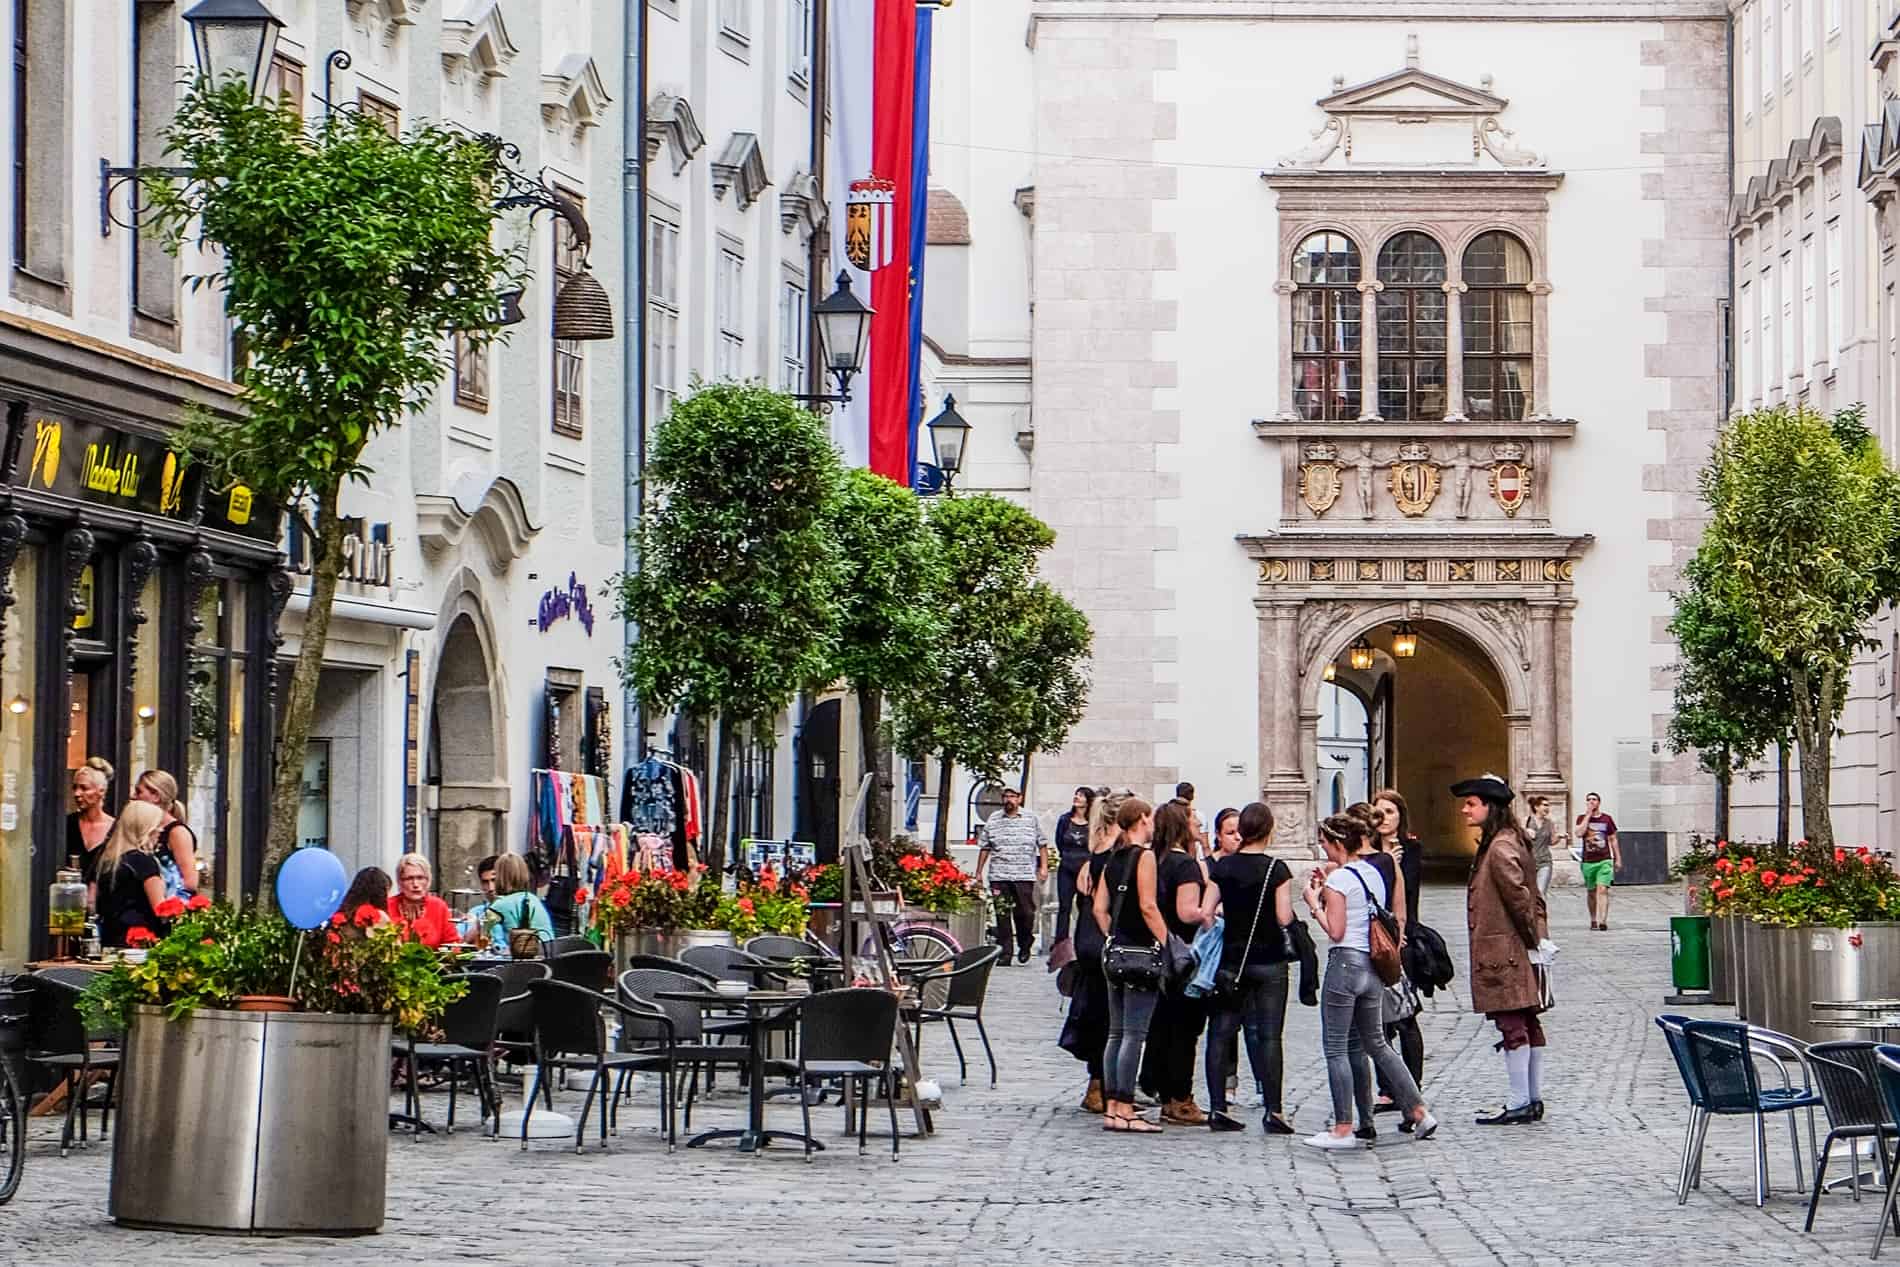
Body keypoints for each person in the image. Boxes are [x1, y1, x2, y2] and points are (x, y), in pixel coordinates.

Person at [1300, 813, 1437, 1149]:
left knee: (1336, 1048)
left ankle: (1343, 1128)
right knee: (1375, 1043)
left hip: (1345, 964)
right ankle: (1419, 1110)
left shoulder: (1338, 881)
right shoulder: (1372, 872)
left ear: (1335, 842)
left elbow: (1336, 931)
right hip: (1372, 967)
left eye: (1324, 841)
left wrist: (1313, 903)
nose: (1322, 847)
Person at [1455, 773, 1551, 1125]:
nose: (1465, 810)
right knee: (1527, 1020)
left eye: (1471, 804)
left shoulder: (1500, 847)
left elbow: (1521, 899)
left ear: (1489, 807)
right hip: (1513, 948)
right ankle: (1531, 1097)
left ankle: (1519, 1100)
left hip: (1505, 951)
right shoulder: (1508, 840)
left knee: (1513, 1023)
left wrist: (1531, 940)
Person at [1195, 802, 1295, 1134]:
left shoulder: (1222, 867)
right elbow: (1283, 917)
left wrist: (1228, 918)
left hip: (1231, 962)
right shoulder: (1276, 869)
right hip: (1268, 962)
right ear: (1268, 830)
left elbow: (1207, 912)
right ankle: (1274, 1110)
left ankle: (1218, 1107)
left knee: (1221, 1033)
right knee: (1269, 1035)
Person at [1092, 797, 1165, 1133]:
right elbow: (1148, 906)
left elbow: (1098, 909)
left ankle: (1111, 1108)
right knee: (1135, 1034)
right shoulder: (1144, 856)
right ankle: (1125, 1109)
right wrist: (1168, 942)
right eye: (1150, 818)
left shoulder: (1112, 858)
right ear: (1142, 819)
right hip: (1140, 952)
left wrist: (1113, 935)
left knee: (1115, 1033)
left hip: (1116, 951)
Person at [1139, 801, 1208, 1125]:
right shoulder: (1185, 866)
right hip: (1182, 952)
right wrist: (1211, 913)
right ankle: (1180, 1097)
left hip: (1156, 952)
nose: (1197, 822)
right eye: (1192, 818)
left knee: (1162, 1026)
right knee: (1184, 1030)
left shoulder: (1155, 860)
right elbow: (1186, 911)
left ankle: (1162, 1090)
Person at [1061, 787, 1125, 1113]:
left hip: (1087, 937)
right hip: (1100, 938)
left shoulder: (1095, 851)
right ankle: (1101, 1083)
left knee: (1098, 1009)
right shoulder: (1115, 854)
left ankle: (1101, 1082)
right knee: (1106, 1013)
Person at [1372, 789, 1426, 1103]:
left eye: (1390, 812)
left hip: (1402, 940)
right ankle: (1386, 1087)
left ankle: (1412, 1085)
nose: (1385, 818)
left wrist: (1391, 865)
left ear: (1400, 816)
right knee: (1377, 1019)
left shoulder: (1412, 849)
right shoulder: (1364, 851)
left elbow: (1407, 893)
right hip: (1374, 941)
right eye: (1379, 812)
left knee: (1405, 1016)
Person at [975, 785, 1048, 964]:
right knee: (1002, 915)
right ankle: (1006, 953)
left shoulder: (1031, 818)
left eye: (1012, 796)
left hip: (1023, 874)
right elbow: (985, 846)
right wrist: (978, 872)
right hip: (999, 875)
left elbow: (1042, 844)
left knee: (1026, 913)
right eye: (1006, 796)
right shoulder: (994, 819)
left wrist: (1043, 867)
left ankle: (1025, 943)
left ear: (1020, 799)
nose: (1009, 800)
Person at [93, 801, 169, 948]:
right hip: (142, 941)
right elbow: (161, 909)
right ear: (146, 829)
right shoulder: (144, 862)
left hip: (111, 940)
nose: (160, 830)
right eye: (157, 825)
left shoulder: (108, 862)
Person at [132, 769, 197, 898]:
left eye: (139, 792)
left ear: (156, 796)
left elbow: (190, 882)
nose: (134, 796)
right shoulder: (142, 828)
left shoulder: (177, 833)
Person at [483, 852, 555, 954]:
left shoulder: (499, 905)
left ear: (499, 876)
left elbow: (483, 934)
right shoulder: (533, 899)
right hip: (549, 957)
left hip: (527, 961)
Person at [1051, 787, 1096, 948]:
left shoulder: (1093, 822)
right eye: (1076, 794)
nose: (1077, 797)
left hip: (1085, 869)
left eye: (1081, 795)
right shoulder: (1065, 820)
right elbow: (1059, 842)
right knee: (1064, 906)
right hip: (1067, 867)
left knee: (1085, 906)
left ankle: (1082, 939)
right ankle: (1060, 941)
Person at [388, 852, 458, 948]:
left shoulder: (438, 906)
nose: (415, 884)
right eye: (409, 878)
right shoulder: (387, 906)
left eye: (420, 878)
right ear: (400, 882)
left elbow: (453, 944)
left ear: (428, 880)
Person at [1574, 792, 1621, 930]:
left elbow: (1613, 839)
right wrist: (1588, 815)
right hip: (1588, 861)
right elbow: (1578, 833)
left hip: (1604, 860)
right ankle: (1593, 918)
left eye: (1594, 799)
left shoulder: (1607, 819)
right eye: (1589, 800)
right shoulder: (1581, 818)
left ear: (1599, 802)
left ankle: (1602, 920)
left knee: (1602, 889)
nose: (1591, 802)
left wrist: (1618, 858)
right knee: (1591, 891)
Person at [68, 756, 115, 893]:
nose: (77, 794)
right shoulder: (67, 824)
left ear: (101, 791)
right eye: (75, 787)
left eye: (84, 788)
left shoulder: (116, 829)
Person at [457, 854, 501, 943]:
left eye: (494, 880)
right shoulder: (476, 912)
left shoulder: (515, 909)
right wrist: (477, 927)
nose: (491, 888)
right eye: (485, 882)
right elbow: (458, 944)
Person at [1525, 795, 1558, 897]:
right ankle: (1531, 913)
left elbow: (1552, 842)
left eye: (1548, 805)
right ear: (1536, 807)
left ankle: (1540, 913)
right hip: (1528, 862)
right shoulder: (1527, 820)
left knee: (1540, 892)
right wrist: (1525, 831)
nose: (1547, 808)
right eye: (1545, 805)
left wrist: (1560, 837)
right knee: (1528, 893)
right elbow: (1517, 836)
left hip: (1544, 861)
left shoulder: (1549, 823)